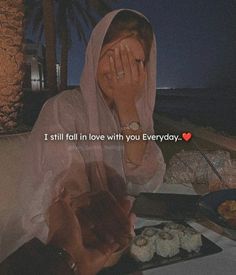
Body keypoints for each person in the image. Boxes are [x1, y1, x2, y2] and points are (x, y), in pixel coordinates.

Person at [0, 9, 166, 272]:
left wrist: (126, 106)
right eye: (111, 56)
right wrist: (82, 246)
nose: (120, 71)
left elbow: (143, 173)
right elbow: (66, 193)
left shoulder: (133, 115)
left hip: (118, 240)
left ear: (146, 71)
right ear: (93, 57)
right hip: (62, 247)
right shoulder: (64, 108)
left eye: (134, 61)